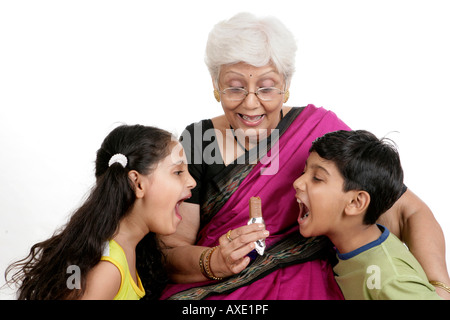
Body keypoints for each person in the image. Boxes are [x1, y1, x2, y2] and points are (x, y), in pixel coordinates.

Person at [159, 12, 450, 300]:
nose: (250, 103)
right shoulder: (198, 141)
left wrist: (439, 286)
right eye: (235, 88)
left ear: (285, 85)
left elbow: (408, 211)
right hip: (218, 290)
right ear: (215, 83)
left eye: (266, 88)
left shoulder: (319, 132)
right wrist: (213, 261)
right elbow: (168, 253)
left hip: (315, 285)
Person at [4, 124, 196, 300]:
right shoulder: (107, 269)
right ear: (137, 183)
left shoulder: (128, 251)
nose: (192, 182)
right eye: (178, 172)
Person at [294, 130, 442, 299]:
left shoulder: (389, 278)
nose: (297, 183)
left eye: (317, 178)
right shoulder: (359, 249)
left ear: (356, 202)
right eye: (303, 173)